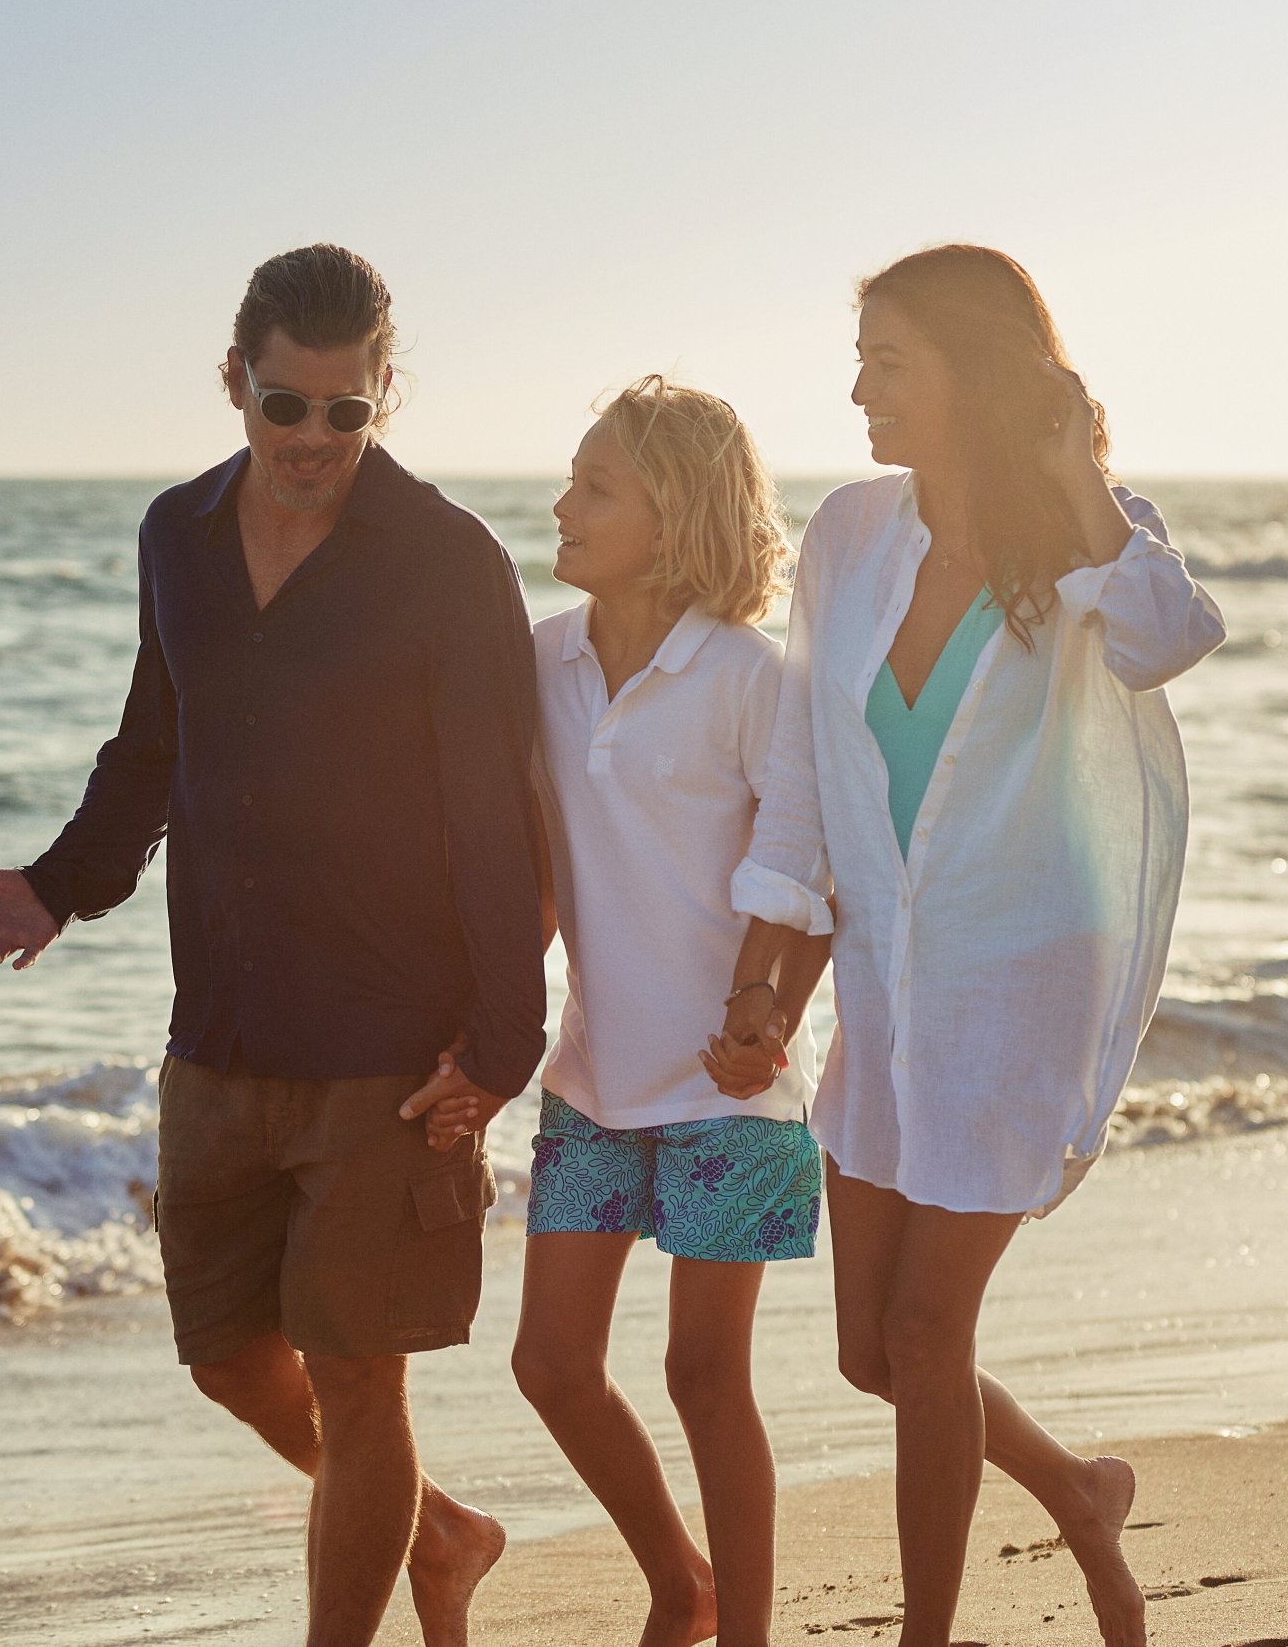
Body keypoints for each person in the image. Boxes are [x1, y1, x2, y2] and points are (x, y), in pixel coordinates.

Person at [0, 244, 541, 1647]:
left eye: (349, 411)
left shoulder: (448, 560)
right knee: (225, 1358)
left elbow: (497, 812)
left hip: (388, 1040)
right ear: (235, 384)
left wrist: (506, 1038)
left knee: (358, 1373)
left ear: (386, 394)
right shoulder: (177, 534)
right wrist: (54, 887)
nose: (316, 441)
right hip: (218, 1031)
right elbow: (156, 743)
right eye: (287, 407)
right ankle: (443, 1534)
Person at [706, 245, 1227, 1647]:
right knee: (873, 1347)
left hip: (1024, 974)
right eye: (861, 356)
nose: (859, 387)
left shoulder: (1088, 535)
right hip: (887, 982)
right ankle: (1078, 1490)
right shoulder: (850, 535)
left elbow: (1170, 638)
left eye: (890, 361)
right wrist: (769, 973)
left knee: (931, 1335)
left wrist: (1078, 477)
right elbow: (812, 775)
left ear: (974, 377)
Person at [422, 377, 830, 1647]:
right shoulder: (538, 662)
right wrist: (476, 1037)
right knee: (549, 1364)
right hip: (592, 1077)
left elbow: (814, 875)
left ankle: (742, 1634)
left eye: (596, 485)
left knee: (706, 1379)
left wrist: (767, 1014)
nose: (564, 502)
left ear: (676, 516)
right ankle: (681, 1584)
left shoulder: (753, 680)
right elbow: (539, 874)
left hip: (734, 1094)